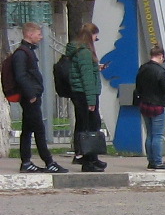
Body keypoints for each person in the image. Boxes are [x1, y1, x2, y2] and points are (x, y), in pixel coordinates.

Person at [12, 23, 65, 173]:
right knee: (39, 129)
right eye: (38, 34)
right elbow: (21, 76)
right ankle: (49, 162)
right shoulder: (21, 54)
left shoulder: (28, 51)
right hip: (30, 98)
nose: (41, 37)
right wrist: (31, 95)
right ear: (29, 34)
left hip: (32, 97)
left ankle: (26, 162)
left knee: (27, 130)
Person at [64, 22, 106, 172]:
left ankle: (90, 157)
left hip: (80, 92)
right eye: (96, 36)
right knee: (90, 126)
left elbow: (86, 71)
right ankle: (88, 161)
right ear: (90, 35)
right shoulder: (85, 52)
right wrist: (91, 101)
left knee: (85, 125)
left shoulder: (79, 50)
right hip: (85, 94)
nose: (96, 39)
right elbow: (87, 77)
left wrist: (96, 67)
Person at [134, 43, 165, 170]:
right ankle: (158, 161)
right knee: (157, 135)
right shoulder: (161, 71)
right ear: (161, 56)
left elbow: (138, 86)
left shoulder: (143, 68)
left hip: (144, 104)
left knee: (150, 134)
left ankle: (151, 160)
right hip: (157, 106)